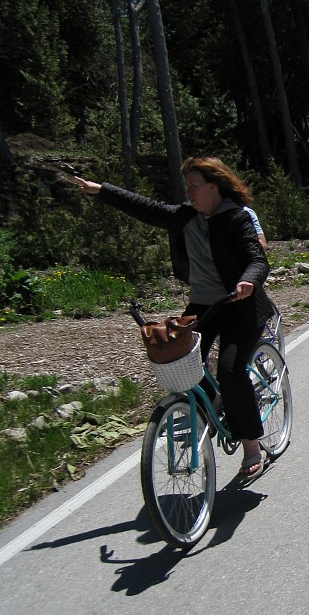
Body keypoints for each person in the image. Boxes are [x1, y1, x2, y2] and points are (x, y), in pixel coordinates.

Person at [75, 157, 273, 478]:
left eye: (193, 186)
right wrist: (101, 191)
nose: (189, 193)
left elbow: (257, 258)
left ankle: (252, 446)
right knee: (180, 363)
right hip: (202, 307)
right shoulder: (184, 217)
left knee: (230, 370)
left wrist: (249, 279)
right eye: (187, 187)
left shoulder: (237, 218)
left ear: (213, 187)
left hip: (240, 305)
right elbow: (145, 207)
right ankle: (207, 410)